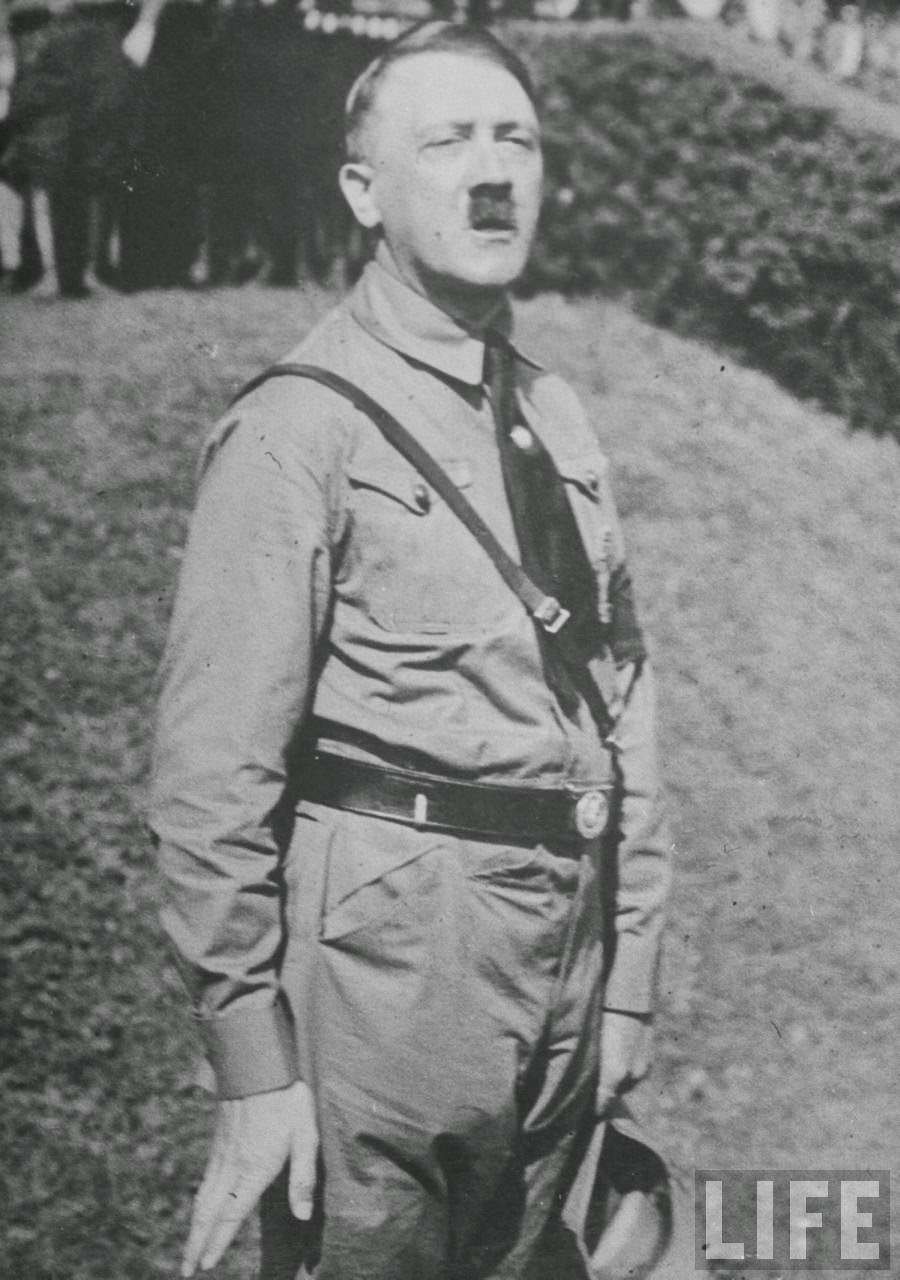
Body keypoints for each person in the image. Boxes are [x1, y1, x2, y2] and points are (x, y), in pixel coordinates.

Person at [150, 21, 672, 1280]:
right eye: (447, 142)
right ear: (363, 190)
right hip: (387, 969)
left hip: (563, 955)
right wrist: (253, 1064)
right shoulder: (296, 431)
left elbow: (622, 698)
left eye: (517, 141)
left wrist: (626, 982)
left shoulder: (553, 409)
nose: (494, 173)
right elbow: (210, 776)